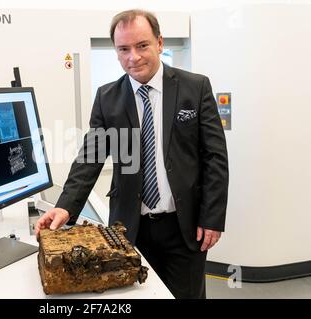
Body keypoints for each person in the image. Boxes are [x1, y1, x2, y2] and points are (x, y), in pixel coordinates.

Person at [35, 9, 228, 299]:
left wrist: (212, 217)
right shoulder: (107, 98)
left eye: (142, 46)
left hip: (184, 226)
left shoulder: (195, 87)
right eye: (123, 49)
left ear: (160, 43)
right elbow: (91, 157)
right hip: (129, 229)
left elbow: (215, 158)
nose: (133, 57)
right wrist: (65, 207)